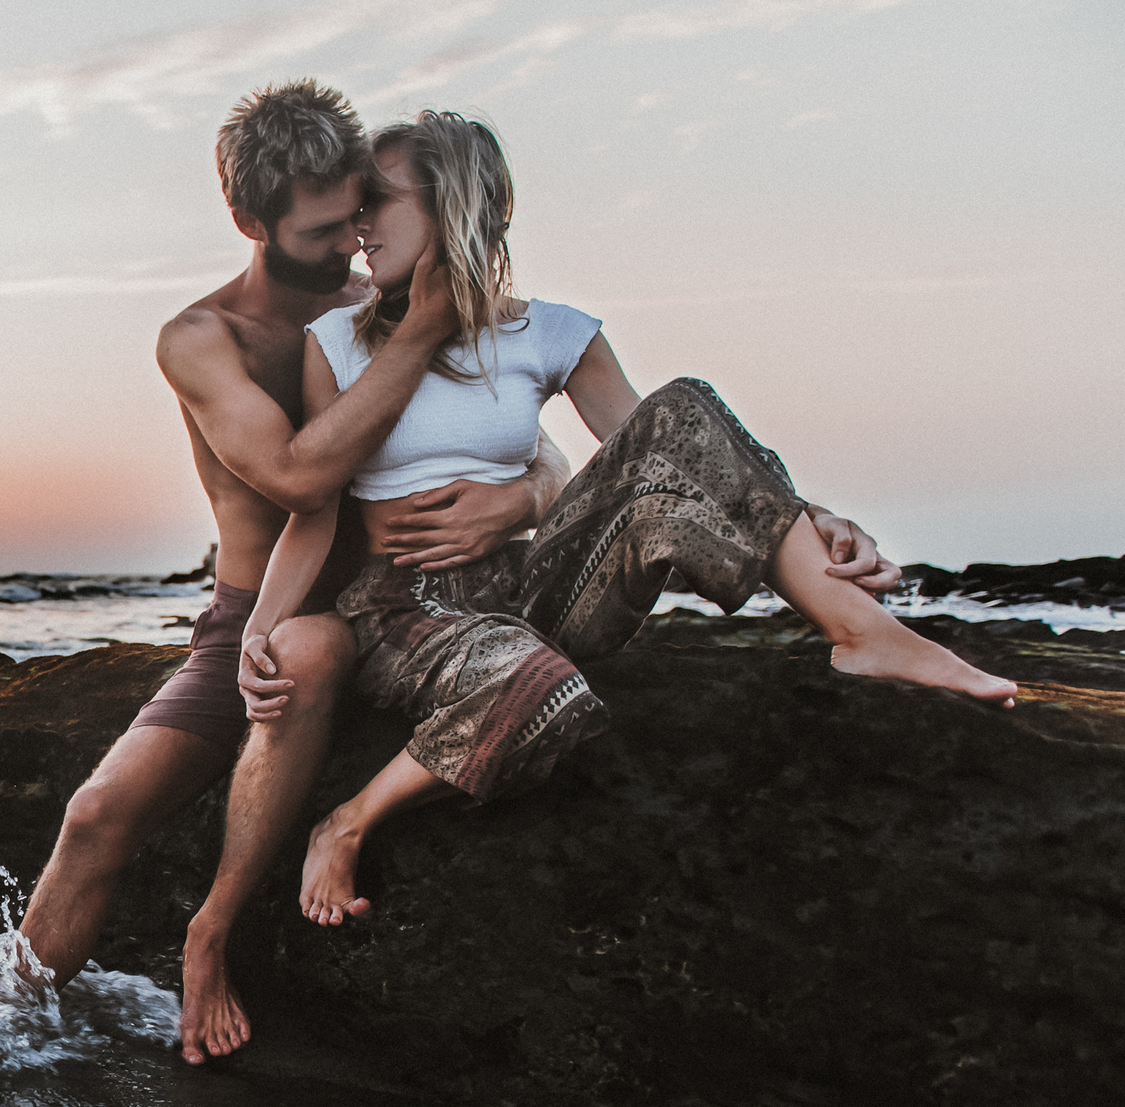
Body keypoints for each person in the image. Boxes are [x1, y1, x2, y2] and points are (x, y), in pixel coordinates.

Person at [222, 110, 1014, 936]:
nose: (358, 223)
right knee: (544, 690)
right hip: (408, 607)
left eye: (378, 200)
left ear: (452, 204)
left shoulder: (548, 331)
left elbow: (674, 454)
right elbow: (313, 513)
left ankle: (864, 633)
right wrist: (259, 629)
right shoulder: (337, 342)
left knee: (683, 403)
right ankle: (348, 820)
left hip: (531, 585)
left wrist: (811, 513)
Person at [13, 80, 573, 1058]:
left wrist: (523, 496)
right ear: (249, 222)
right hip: (255, 614)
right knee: (94, 813)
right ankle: (5, 1039)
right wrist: (419, 334)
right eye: (321, 231)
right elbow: (299, 477)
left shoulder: (385, 294)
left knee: (329, 652)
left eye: (358, 214)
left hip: (406, 599)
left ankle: (215, 934)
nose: (351, 244)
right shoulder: (203, 340)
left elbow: (528, 435)